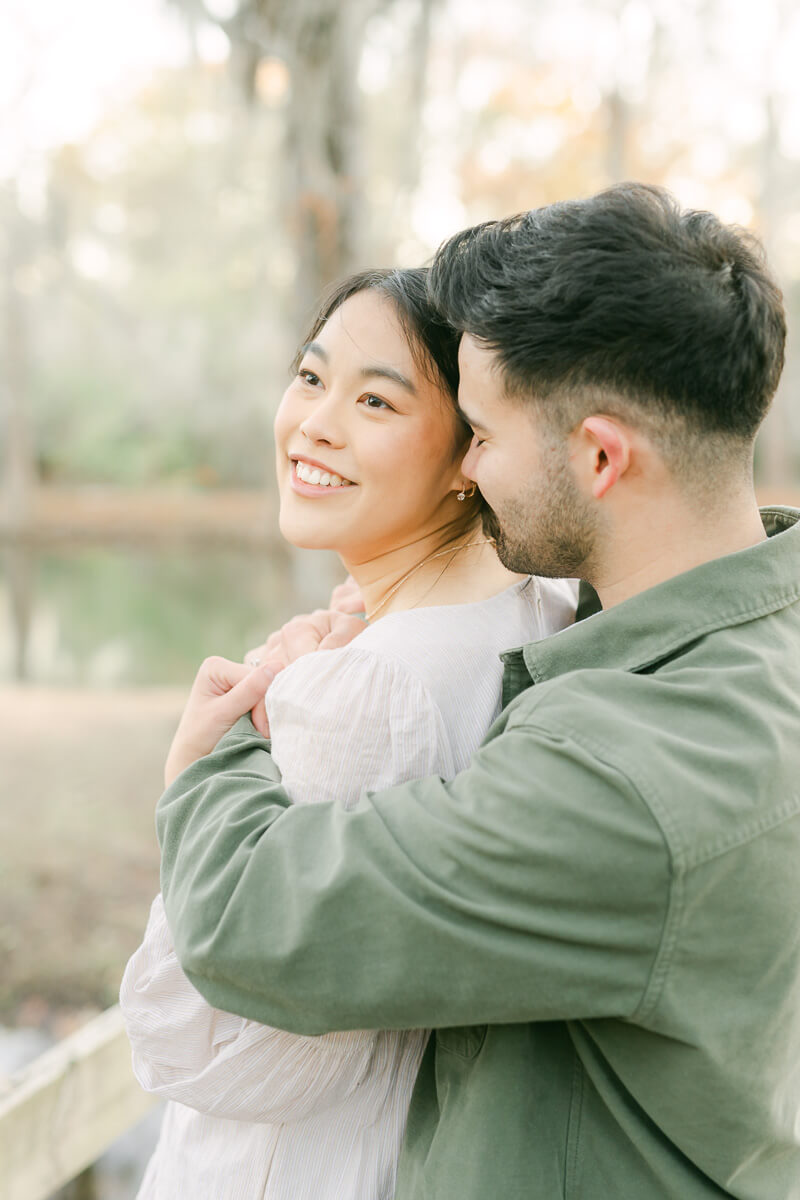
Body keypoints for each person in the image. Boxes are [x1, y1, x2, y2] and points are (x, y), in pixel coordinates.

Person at [153, 184, 800, 1198]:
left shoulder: (629, 774)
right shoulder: (750, 634)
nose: (472, 466)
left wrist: (213, 751)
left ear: (597, 455)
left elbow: (251, 916)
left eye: (484, 436)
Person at [119, 267, 577, 1198]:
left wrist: (194, 778)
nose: (315, 423)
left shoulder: (371, 687)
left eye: (376, 399)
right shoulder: (538, 610)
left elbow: (202, 1047)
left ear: (469, 455)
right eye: (311, 377)